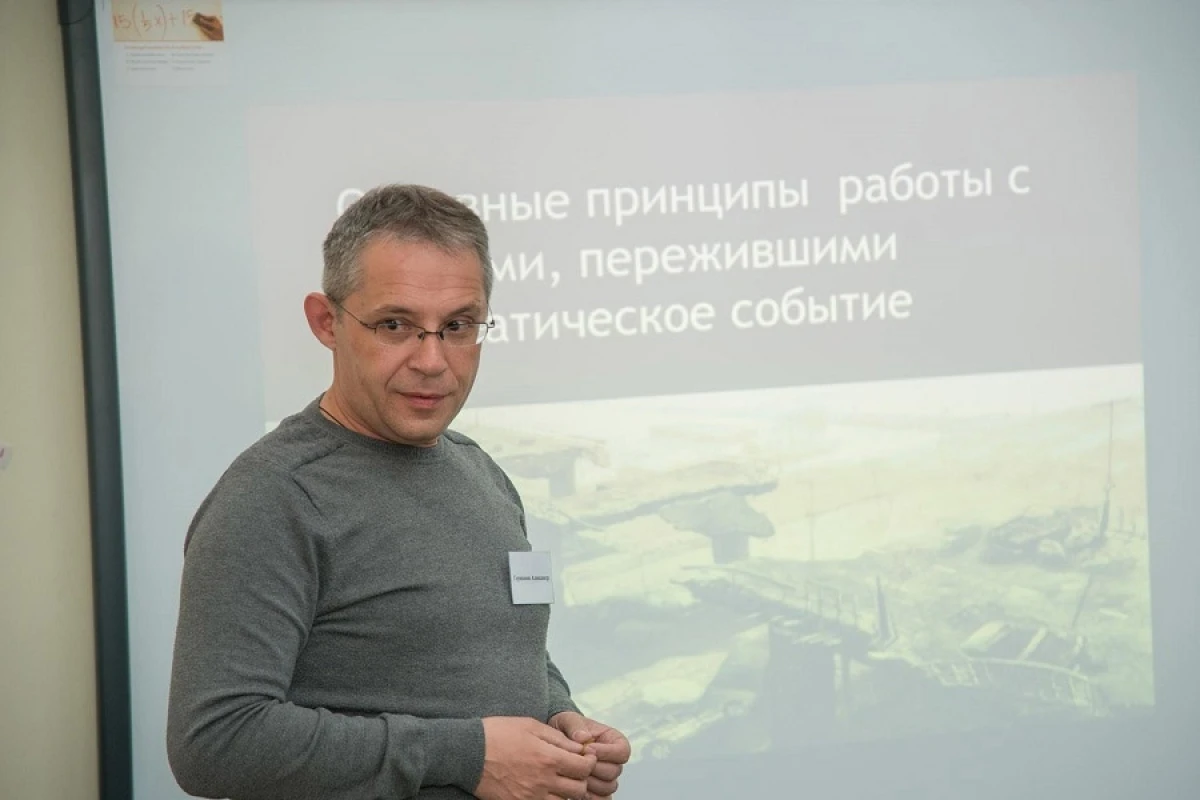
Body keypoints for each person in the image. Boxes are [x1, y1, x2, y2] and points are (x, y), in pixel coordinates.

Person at [167, 184, 631, 800]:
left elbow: (500, 651)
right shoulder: (274, 496)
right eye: (395, 325)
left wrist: (561, 721)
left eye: (458, 326)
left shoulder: (481, 472)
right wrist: (467, 756)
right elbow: (214, 743)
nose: (432, 360)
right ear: (326, 321)